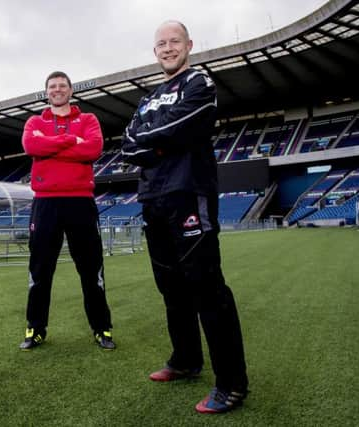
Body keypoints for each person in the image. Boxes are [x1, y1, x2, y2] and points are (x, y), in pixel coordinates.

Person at [121, 21, 248, 414]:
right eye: (160, 43)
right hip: (152, 198)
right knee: (171, 287)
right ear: (154, 50)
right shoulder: (147, 99)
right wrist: (158, 144)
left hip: (188, 193)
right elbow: (128, 144)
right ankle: (186, 360)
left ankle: (231, 384)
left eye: (174, 41)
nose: (167, 48)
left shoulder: (199, 83)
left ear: (189, 45)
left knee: (207, 287)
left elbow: (187, 124)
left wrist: (152, 144)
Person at [20, 71, 115, 351]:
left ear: (71, 91)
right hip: (46, 202)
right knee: (40, 270)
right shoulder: (34, 122)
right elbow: (30, 145)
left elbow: (93, 149)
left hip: (80, 201)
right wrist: (71, 141)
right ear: (46, 92)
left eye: (62, 86)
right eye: (52, 86)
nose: (58, 90)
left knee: (91, 268)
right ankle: (35, 329)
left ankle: (102, 329)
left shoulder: (88, 120)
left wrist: (48, 146)